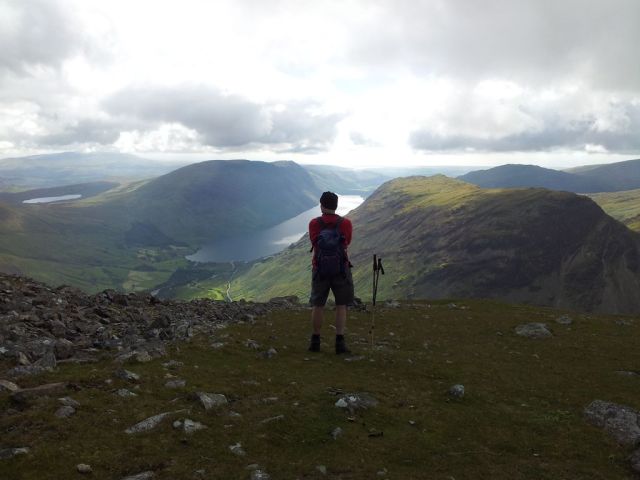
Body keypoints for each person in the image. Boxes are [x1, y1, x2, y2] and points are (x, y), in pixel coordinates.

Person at [308, 191, 354, 354]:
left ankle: (315, 341)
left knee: (318, 305)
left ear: (321, 205)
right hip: (341, 269)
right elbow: (346, 242)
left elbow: (315, 242)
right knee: (341, 305)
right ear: (336, 206)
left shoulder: (314, 223)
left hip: (320, 269)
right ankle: (340, 343)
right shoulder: (346, 223)